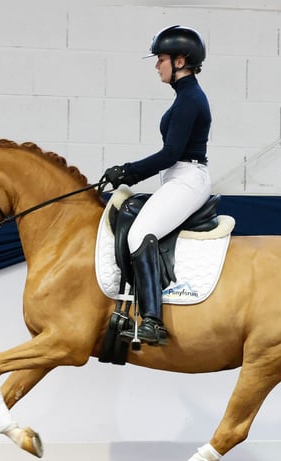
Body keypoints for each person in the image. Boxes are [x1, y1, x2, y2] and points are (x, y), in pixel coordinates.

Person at [102, 25, 212, 347]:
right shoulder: (185, 97)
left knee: (139, 234)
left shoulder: (191, 99)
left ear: (180, 61)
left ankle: (153, 321)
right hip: (178, 178)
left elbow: (170, 154)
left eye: (161, 59)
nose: (156, 65)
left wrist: (128, 171)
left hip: (187, 179)